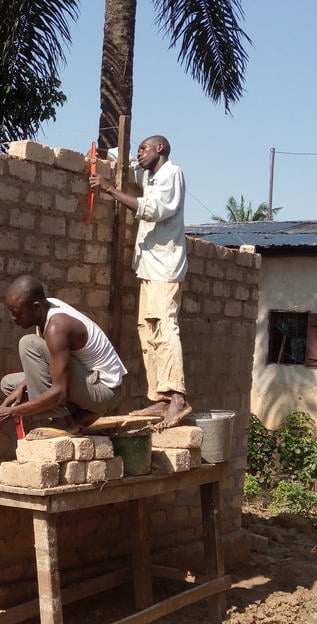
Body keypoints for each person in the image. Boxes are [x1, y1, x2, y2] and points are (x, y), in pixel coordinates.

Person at [89, 134, 192, 429]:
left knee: (165, 328)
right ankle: (160, 397)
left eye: (144, 149)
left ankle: (178, 398)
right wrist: (100, 154)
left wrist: (109, 189)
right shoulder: (149, 174)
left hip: (166, 268)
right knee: (147, 332)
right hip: (149, 268)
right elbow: (124, 160)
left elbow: (156, 210)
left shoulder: (173, 174)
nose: (139, 154)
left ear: (160, 149)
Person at [0, 275, 127, 438]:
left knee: (29, 344)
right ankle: (79, 415)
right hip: (87, 382)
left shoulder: (57, 327)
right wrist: (21, 388)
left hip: (106, 392)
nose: (13, 318)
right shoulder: (44, 309)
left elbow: (60, 391)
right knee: (9, 384)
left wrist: (11, 411)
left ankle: (65, 423)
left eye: (17, 313)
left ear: (36, 307)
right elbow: (53, 366)